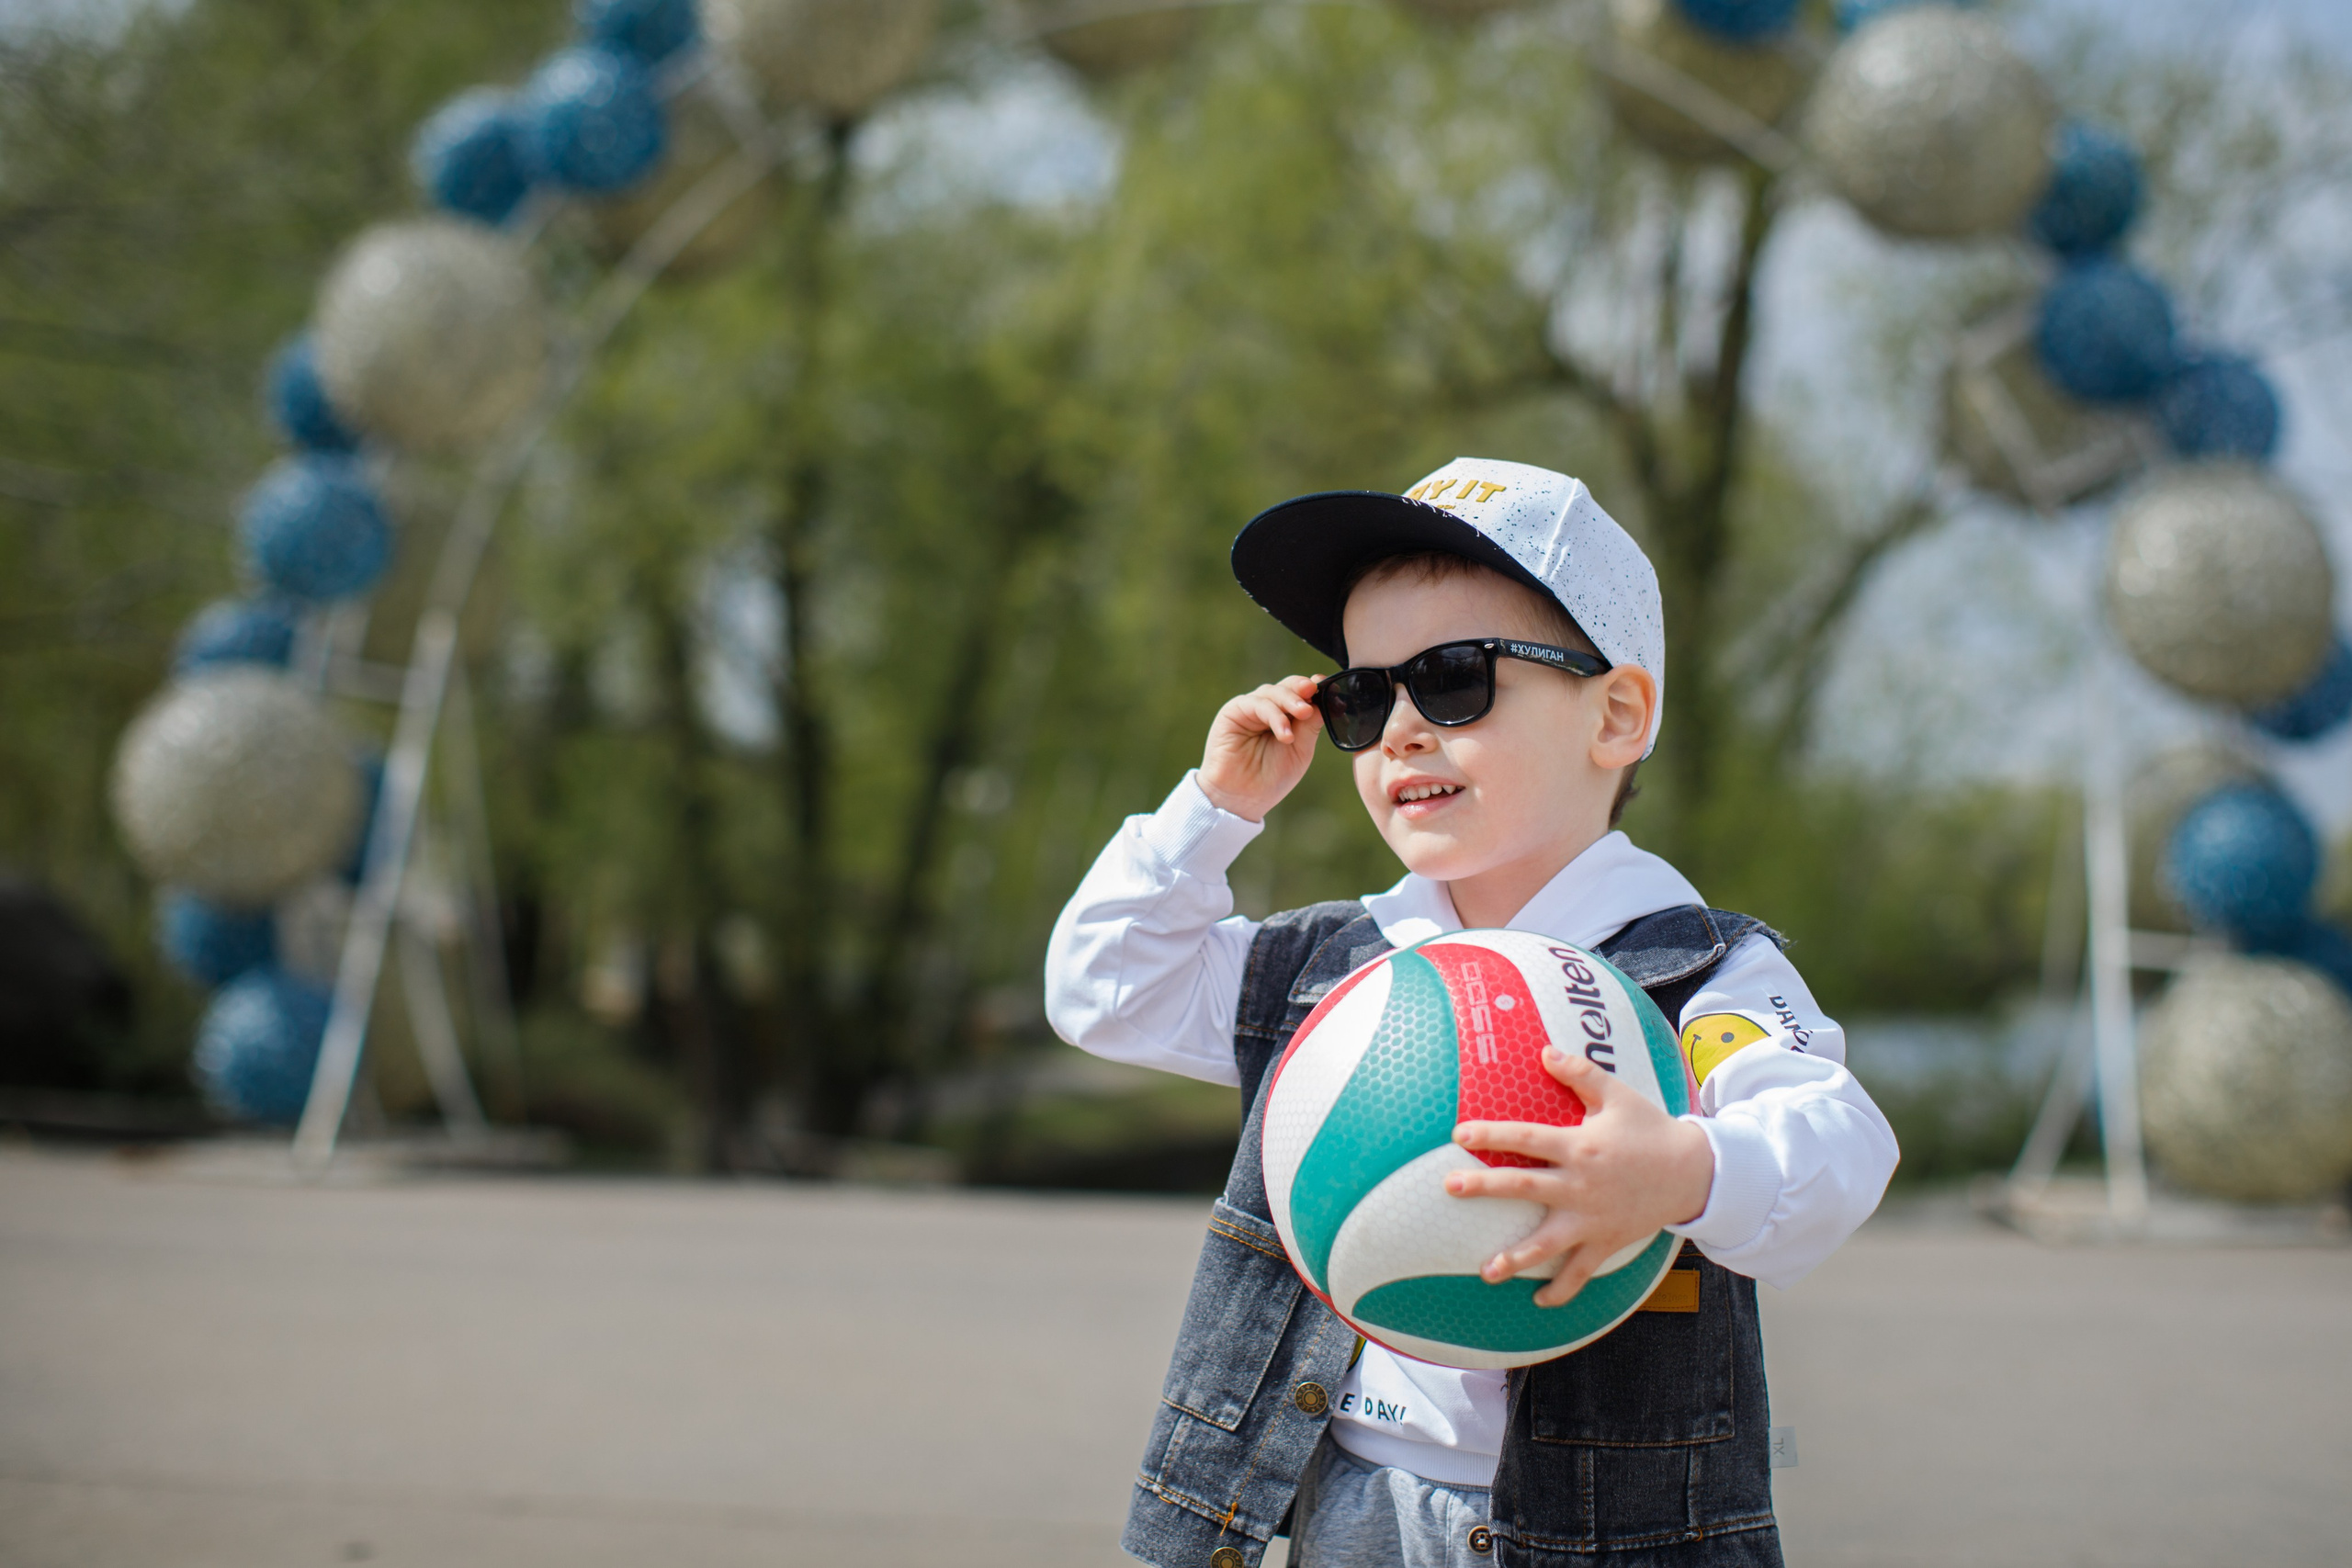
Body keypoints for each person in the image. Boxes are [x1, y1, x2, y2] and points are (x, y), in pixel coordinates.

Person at [1046, 457, 1898, 1568]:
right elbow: (1103, 987)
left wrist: (1683, 1171)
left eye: (1453, 680)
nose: (1400, 728)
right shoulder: (1334, 975)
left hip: (1610, 1536)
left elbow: (1836, 1143)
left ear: (1616, 714)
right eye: (1359, 697)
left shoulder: (1692, 973)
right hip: (1346, 1507)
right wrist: (1214, 809)